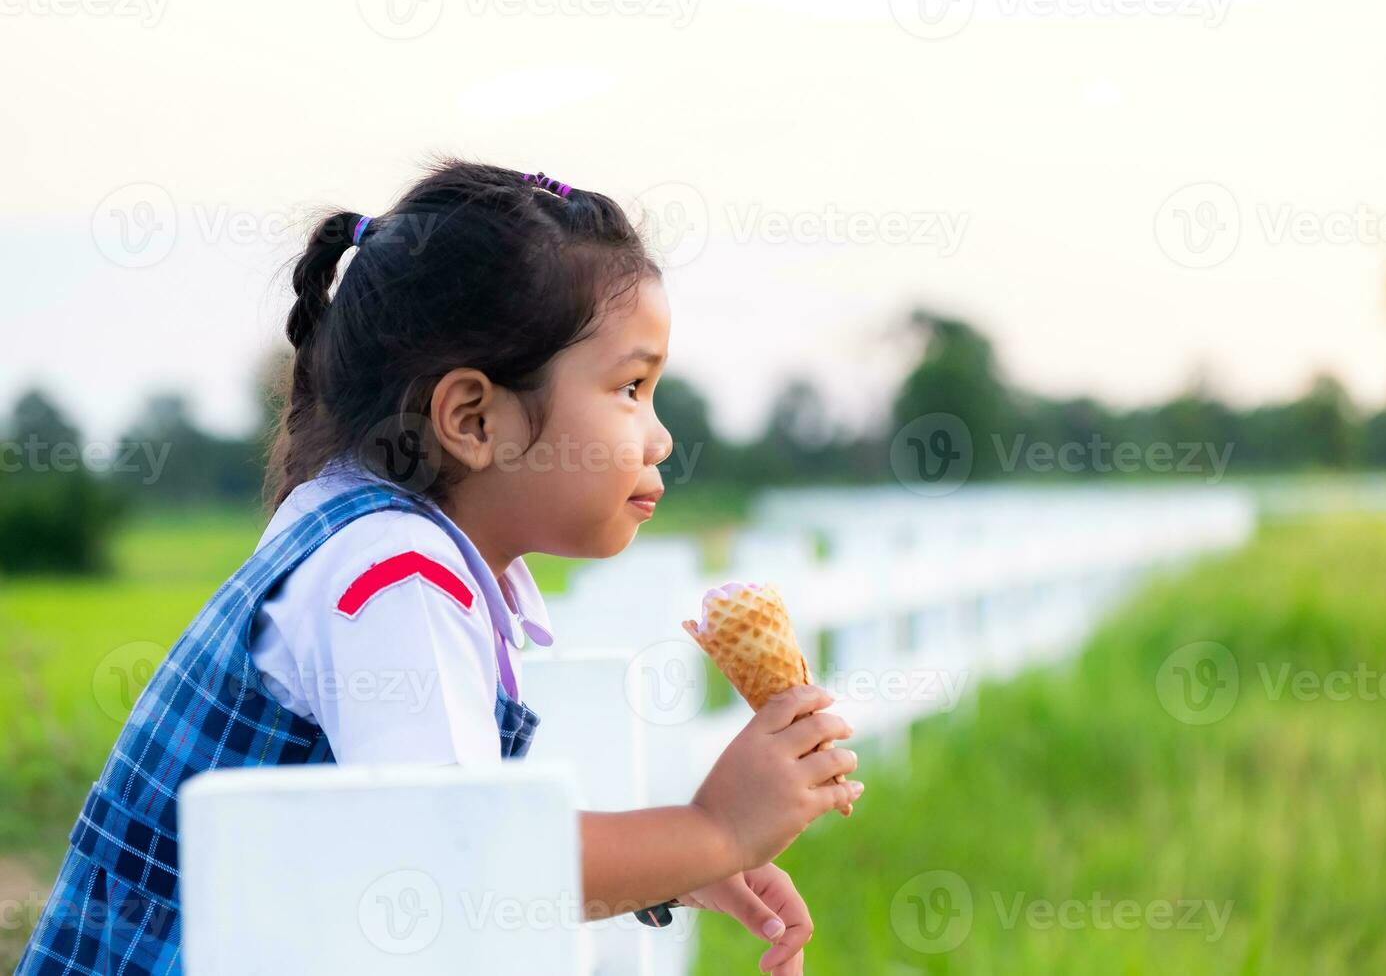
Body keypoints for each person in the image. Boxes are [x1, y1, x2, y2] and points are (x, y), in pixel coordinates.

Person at [18, 160, 863, 976]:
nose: (659, 434)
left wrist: (671, 864)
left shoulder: (375, 542)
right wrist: (713, 829)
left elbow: (449, 842)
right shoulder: (394, 573)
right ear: (471, 416)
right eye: (630, 389)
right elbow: (458, 856)